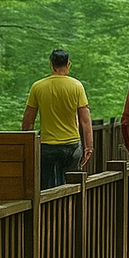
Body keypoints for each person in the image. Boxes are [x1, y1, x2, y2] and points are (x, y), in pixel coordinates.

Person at [22, 48, 93, 189]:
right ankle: (71, 209)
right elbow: (85, 120)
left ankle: (47, 210)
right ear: (68, 64)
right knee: (73, 186)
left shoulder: (38, 87)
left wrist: (27, 144)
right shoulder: (77, 86)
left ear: (51, 64)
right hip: (72, 145)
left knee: (47, 189)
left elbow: (28, 121)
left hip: (47, 145)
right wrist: (88, 147)